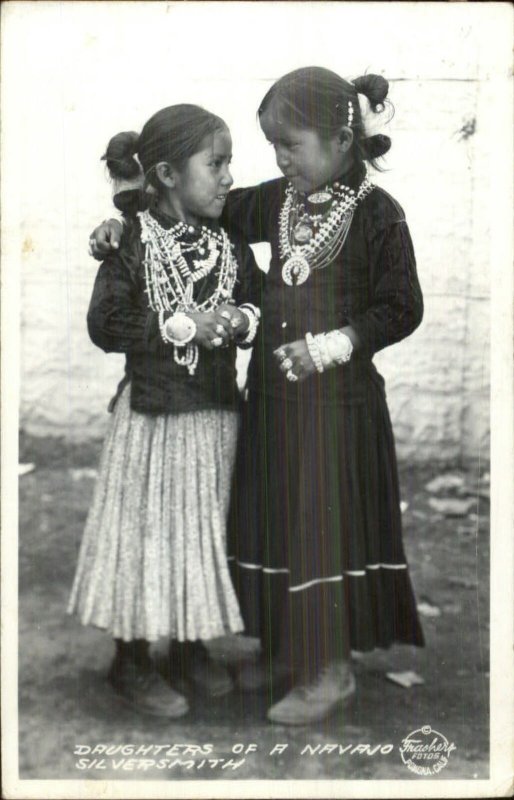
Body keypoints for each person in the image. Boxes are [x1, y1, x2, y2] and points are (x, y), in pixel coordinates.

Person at [88, 67, 425, 726]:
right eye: (271, 147)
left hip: (339, 410)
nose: (277, 161)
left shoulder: (378, 215)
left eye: (290, 146)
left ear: (339, 138)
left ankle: (330, 670)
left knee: (324, 529)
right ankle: (285, 649)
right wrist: (119, 217)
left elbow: (402, 305)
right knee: (276, 523)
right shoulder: (281, 200)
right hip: (273, 402)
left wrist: (334, 344)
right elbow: (191, 202)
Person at [68, 103, 263, 719]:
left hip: (213, 417)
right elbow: (106, 323)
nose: (229, 176)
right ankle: (130, 659)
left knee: (197, 533)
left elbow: (257, 299)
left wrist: (237, 317)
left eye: (230, 162)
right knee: (145, 535)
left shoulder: (228, 238)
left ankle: (185, 646)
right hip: (151, 419)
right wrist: (181, 324)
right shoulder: (131, 241)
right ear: (168, 174)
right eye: (217, 163)